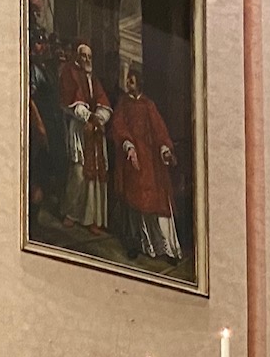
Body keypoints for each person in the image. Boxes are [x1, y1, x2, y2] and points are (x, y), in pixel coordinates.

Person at [113, 67, 181, 262]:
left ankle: (165, 249)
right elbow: (118, 125)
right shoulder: (123, 104)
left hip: (150, 160)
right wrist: (128, 145)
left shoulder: (148, 105)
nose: (128, 85)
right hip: (132, 159)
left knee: (156, 201)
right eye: (127, 81)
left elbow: (159, 129)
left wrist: (164, 149)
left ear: (139, 84)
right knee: (134, 203)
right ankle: (137, 245)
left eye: (131, 82)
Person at [58, 42, 112, 233]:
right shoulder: (70, 74)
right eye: (84, 56)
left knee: (96, 175)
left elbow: (104, 104)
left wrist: (97, 119)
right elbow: (70, 103)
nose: (87, 60)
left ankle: (92, 219)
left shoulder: (94, 79)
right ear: (77, 58)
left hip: (94, 131)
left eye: (90, 57)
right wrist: (88, 117)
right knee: (78, 173)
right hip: (79, 130)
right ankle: (71, 214)